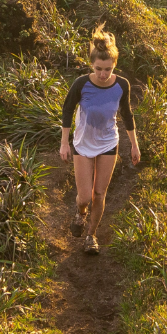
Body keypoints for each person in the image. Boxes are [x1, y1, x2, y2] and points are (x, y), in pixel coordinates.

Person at [60, 24, 140, 254]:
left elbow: (127, 115)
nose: (103, 74)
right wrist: (64, 143)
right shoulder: (81, 84)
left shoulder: (121, 85)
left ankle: (91, 236)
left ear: (114, 65)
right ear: (91, 65)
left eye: (107, 69)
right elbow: (67, 110)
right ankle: (80, 213)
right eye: (98, 69)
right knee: (84, 197)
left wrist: (134, 145)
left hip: (108, 142)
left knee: (99, 194)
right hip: (83, 143)